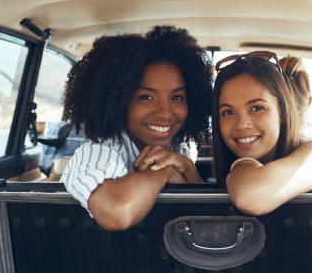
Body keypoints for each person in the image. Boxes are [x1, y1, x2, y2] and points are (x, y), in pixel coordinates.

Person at [60, 26, 212, 231]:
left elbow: (205, 213)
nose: (166, 113)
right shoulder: (97, 152)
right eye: (146, 97)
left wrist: (187, 167)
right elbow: (117, 214)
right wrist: (163, 170)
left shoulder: (177, 146)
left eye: (177, 97)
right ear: (118, 101)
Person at [211, 51, 312, 216]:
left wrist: (242, 165)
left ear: (283, 113)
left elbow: (250, 196)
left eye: (257, 108)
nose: (241, 124)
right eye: (227, 112)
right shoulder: (232, 173)